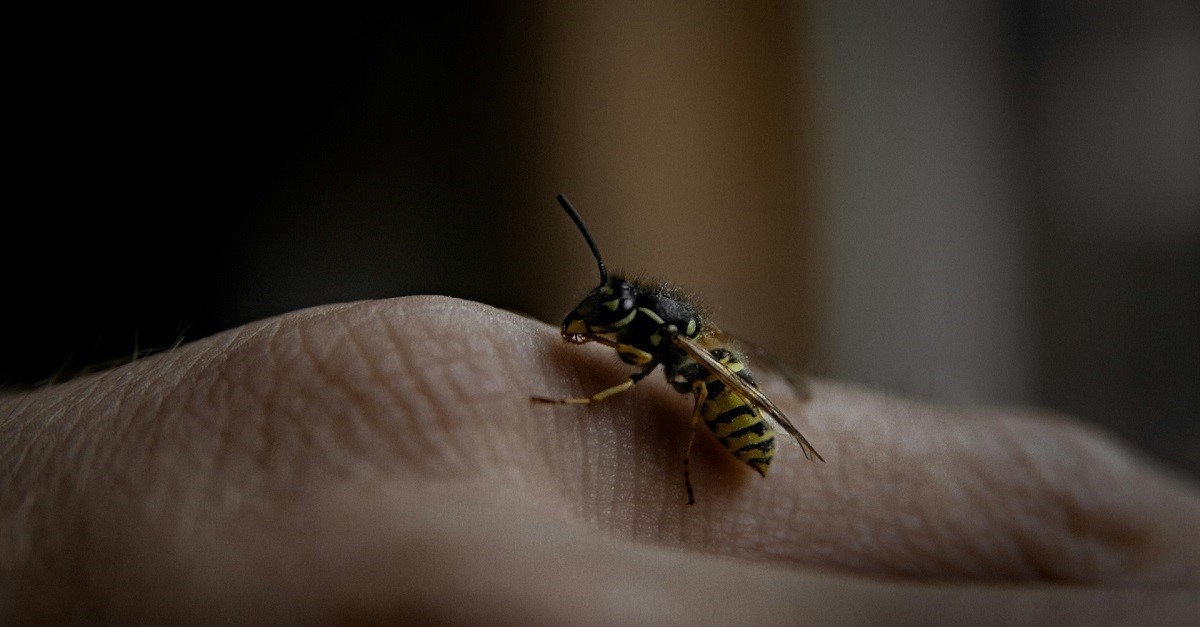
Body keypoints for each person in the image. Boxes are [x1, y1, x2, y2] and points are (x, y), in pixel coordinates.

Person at [2, 296, 1197, 624]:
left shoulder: (674, 367)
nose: (606, 329)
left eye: (619, 321)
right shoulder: (646, 332)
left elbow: (669, 382)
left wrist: (595, 413)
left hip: (734, 437)